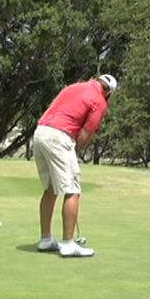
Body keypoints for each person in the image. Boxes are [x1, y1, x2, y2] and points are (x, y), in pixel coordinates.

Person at [33, 74, 117, 257]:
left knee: (51, 188)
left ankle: (46, 239)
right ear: (109, 92)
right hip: (59, 137)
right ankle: (68, 244)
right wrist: (77, 150)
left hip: (40, 133)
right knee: (73, 190)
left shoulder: (74, 86)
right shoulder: (100, 101)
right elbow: (87, 132)